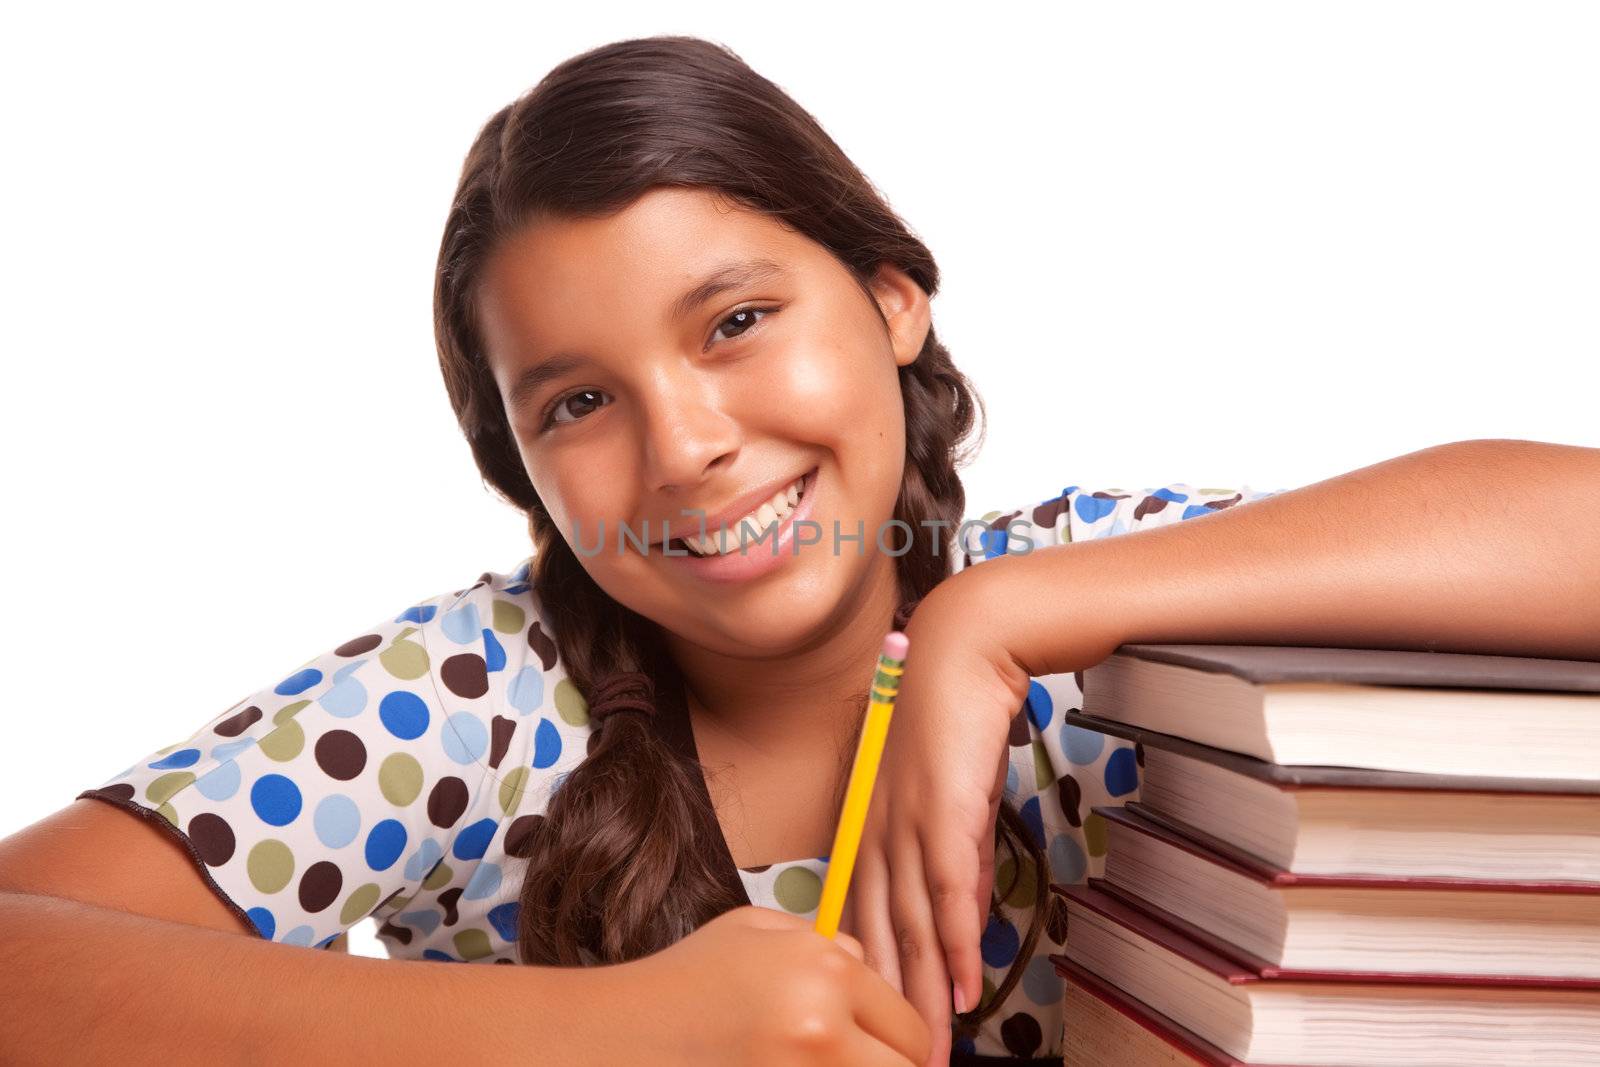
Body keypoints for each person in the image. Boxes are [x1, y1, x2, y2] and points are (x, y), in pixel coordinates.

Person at [3, 33, 1596, 1067]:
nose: (687, 442)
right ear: (522, 473)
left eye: (739, 321)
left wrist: (994, 621)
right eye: (577, 404)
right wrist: (606, 1041)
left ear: (894, 301)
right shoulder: (475, 699)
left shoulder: (1102, 627)